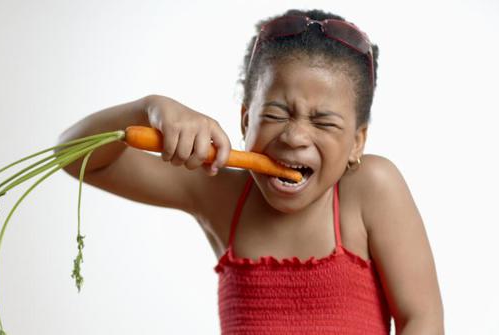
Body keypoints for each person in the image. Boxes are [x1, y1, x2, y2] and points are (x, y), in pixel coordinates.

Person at [57, 8, 444, 335]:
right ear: (245, 120)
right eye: (275, 114)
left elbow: (421, 318)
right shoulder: (219, 191)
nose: (295, 136)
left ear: (357, 142)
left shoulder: (371, 189)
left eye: (324, 123)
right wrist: (147, 109)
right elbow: (73, 156)